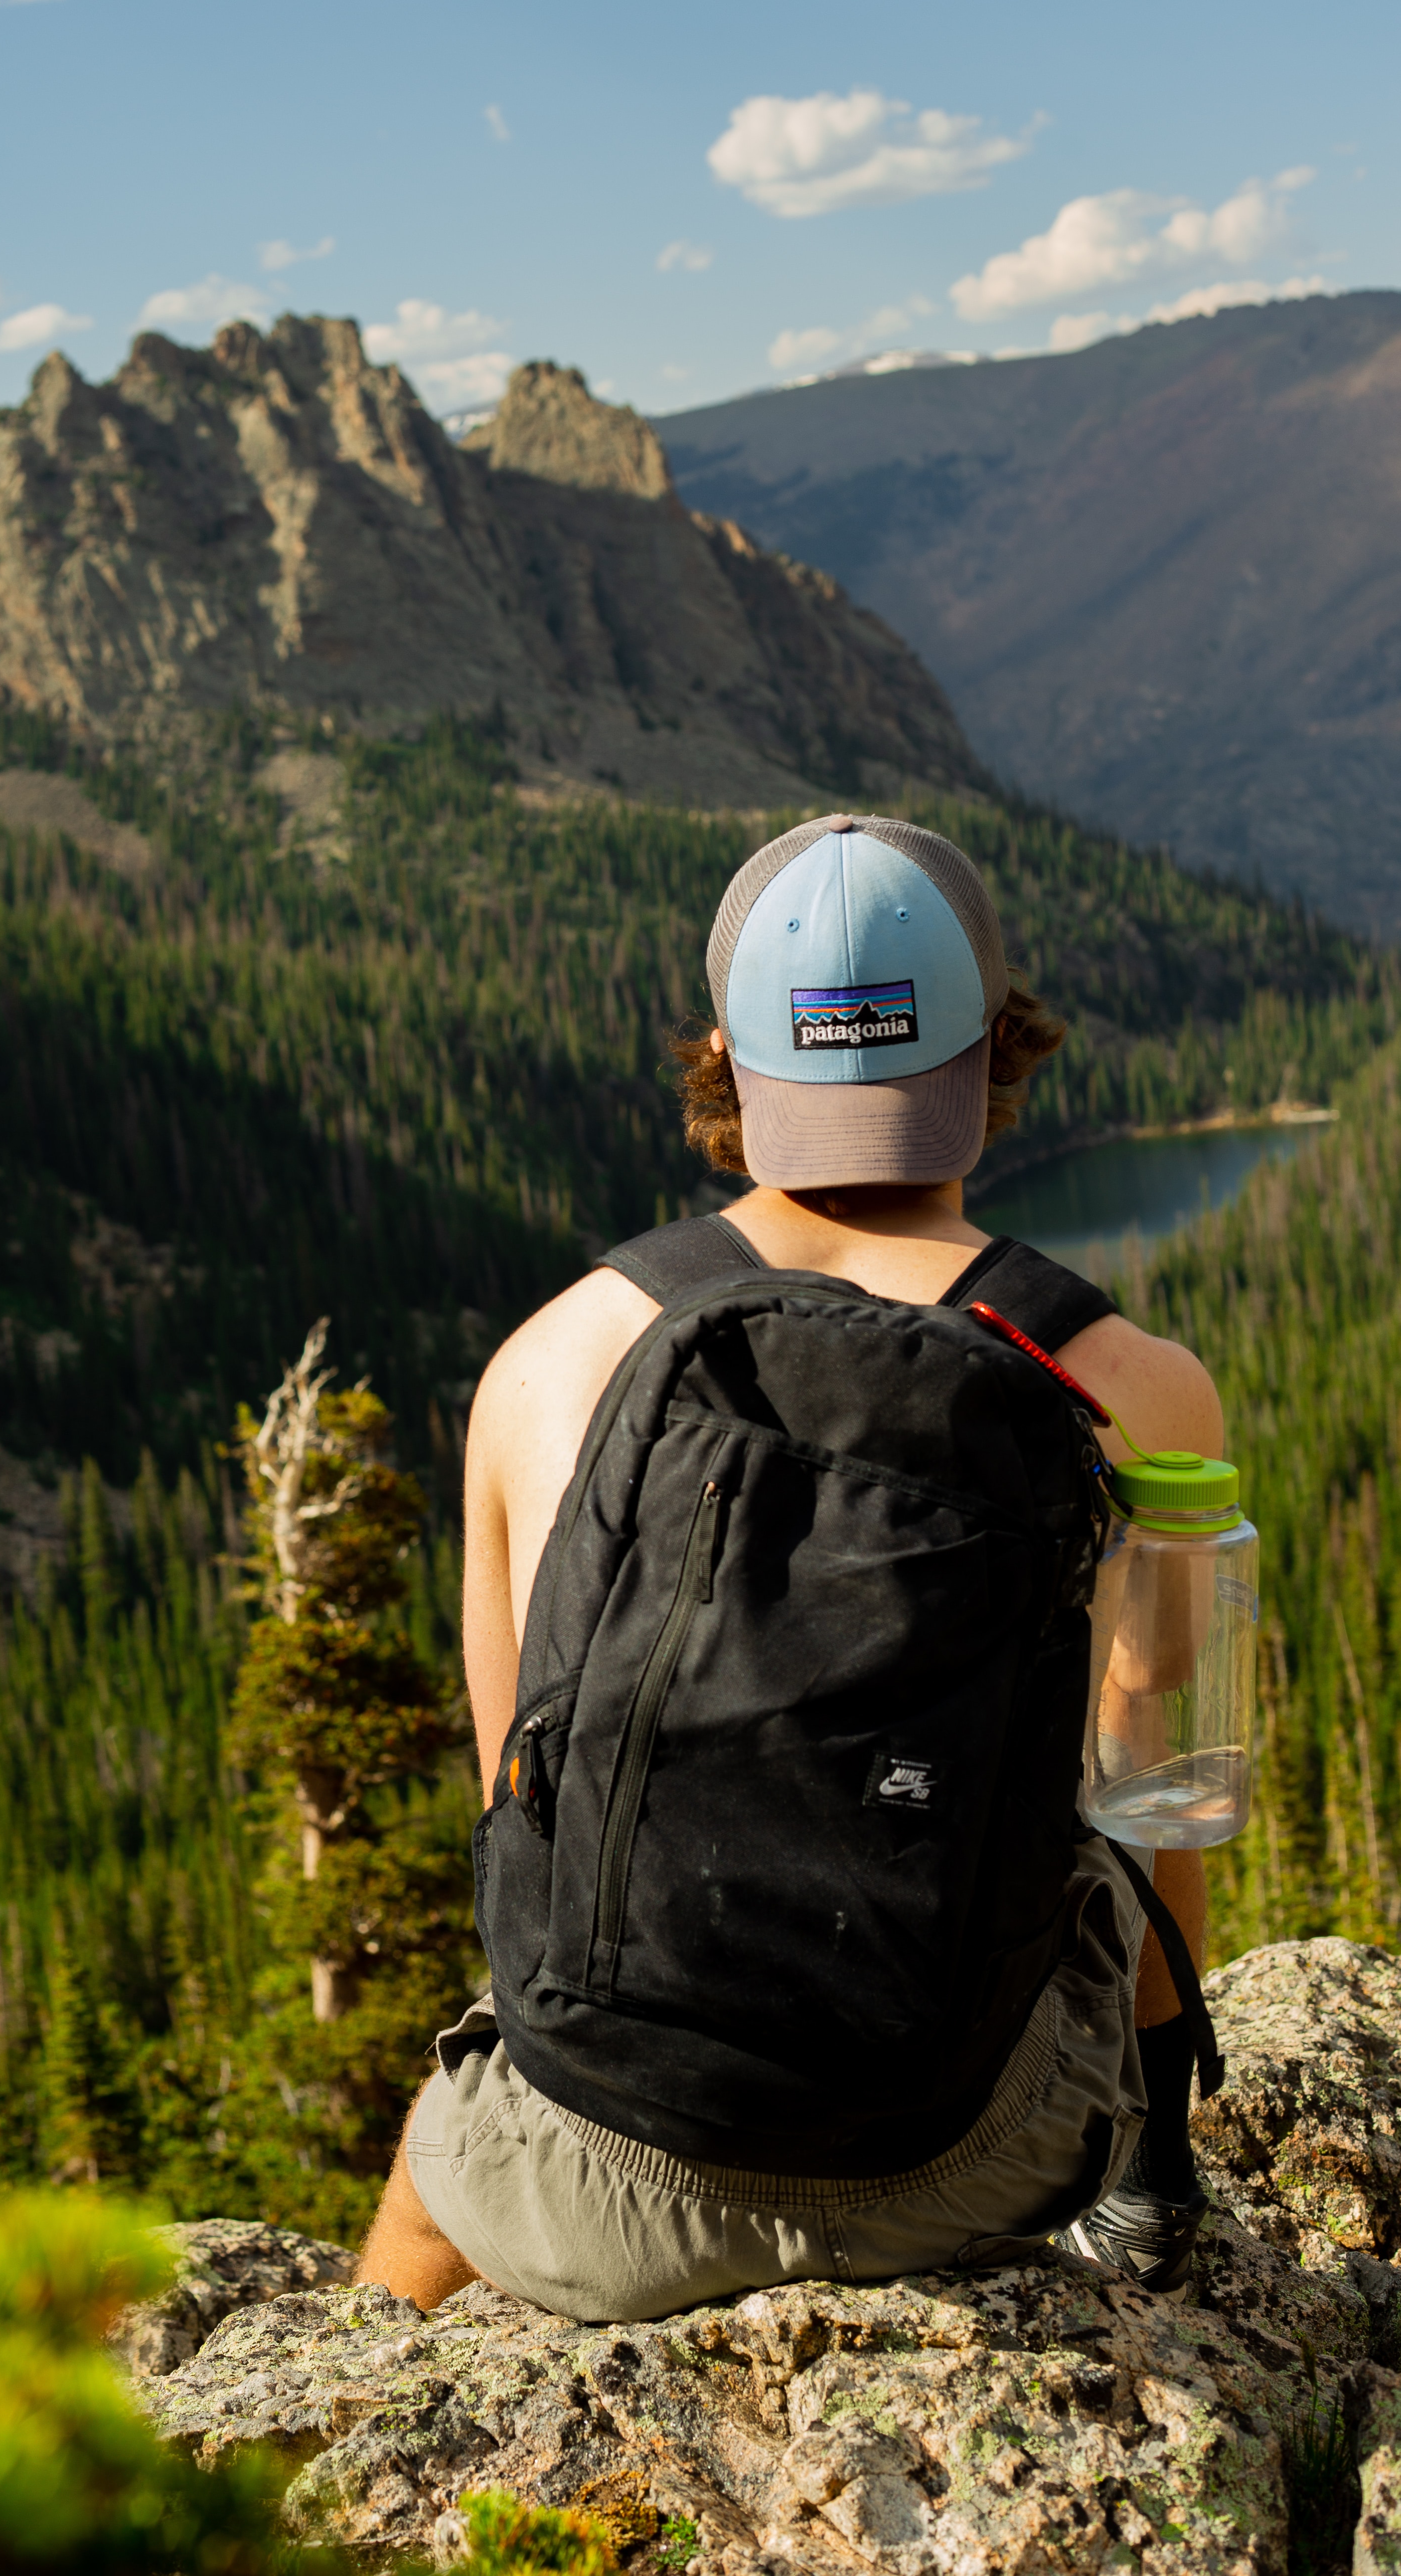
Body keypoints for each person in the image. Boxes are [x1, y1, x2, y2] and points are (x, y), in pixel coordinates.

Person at [357, 813, 1221, 2319]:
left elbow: (526, 1817)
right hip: (978, 2158)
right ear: (996, 1048)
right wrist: (1152, 2164)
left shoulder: (547, 1368)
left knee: (413, 2217)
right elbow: (1163, 1807)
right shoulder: (1131, 1386)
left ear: (726, 1059)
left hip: (593, 2191)